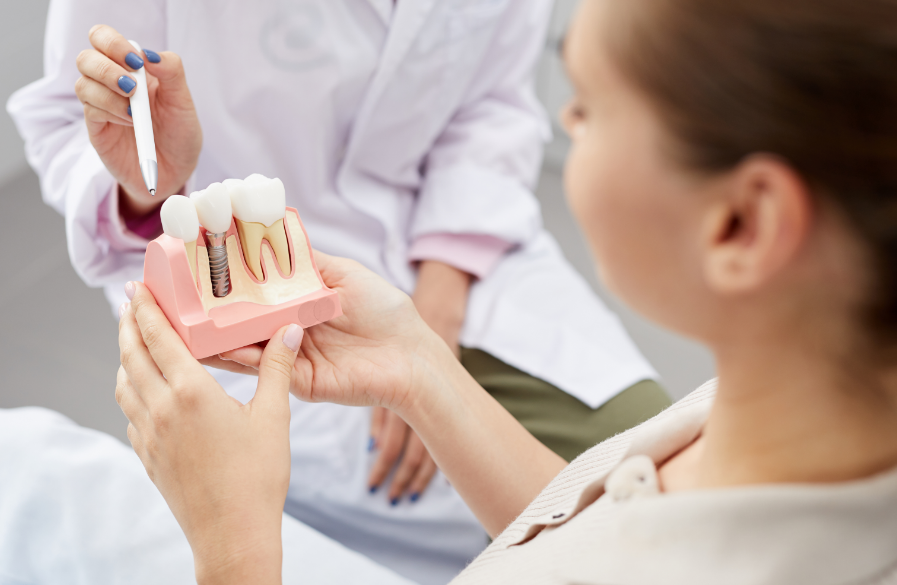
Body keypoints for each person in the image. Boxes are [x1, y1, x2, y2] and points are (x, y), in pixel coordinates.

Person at [114, 0, 897, 582]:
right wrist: (422, 368)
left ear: (739, 225)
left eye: (587, 108)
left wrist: (234, 542)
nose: (561, 116)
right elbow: (599, 540)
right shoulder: (793, 412)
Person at [7, 3, 668, 581]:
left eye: (589, 111)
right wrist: (148, 185)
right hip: (243, 278)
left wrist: (438, 301)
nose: (572, 119)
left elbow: (491, 104)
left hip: (462, 255)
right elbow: (74, 120)